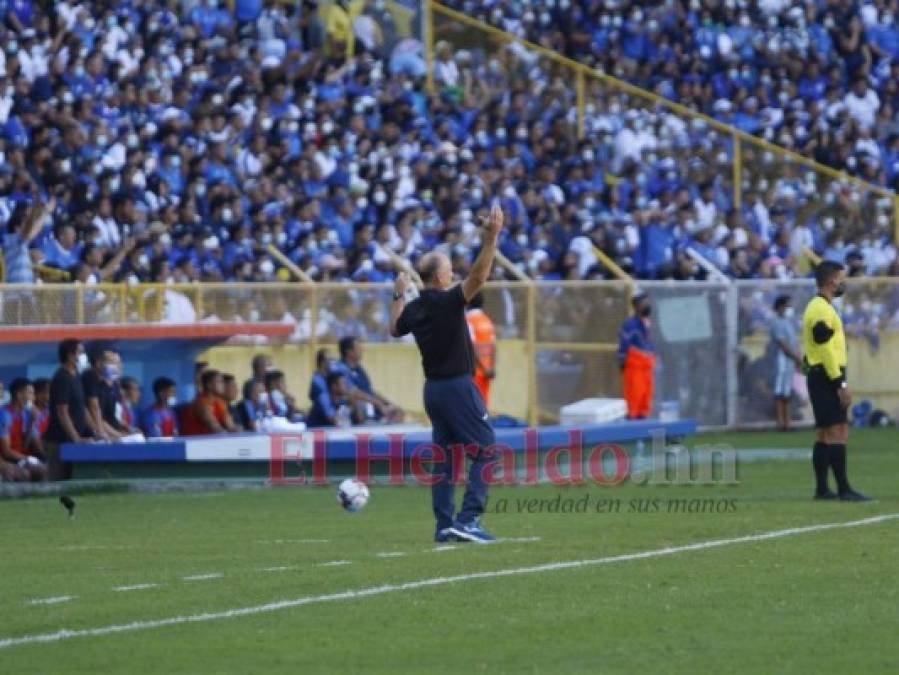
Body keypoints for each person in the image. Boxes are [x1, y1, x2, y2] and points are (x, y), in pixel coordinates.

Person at [389, 203, 504, 543]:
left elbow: (395, 328)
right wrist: (491, 238)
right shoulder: (446, 301)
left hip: (434, 391)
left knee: (446, 460)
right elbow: (480, 277)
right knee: (486, 451)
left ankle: (444, 525)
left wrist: (398, 291)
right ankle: (468, 520)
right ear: (439, 277)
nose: (453, 274)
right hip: (456, 386)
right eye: (449, 270)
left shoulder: (415, 307)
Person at [803, 261, 870, 501]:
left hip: (820, 374)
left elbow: (813, 348)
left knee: (823, 434)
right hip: (827, 375)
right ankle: (844, 489)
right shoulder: (821, 309)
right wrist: (840, 383)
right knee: (838, 431)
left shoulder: (820, 306)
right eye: (842, 278)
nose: (844, 282)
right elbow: (824, 348)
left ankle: (822, 489)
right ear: (832, 281)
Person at [46, 339, 94, 480]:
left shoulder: (76, 376)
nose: (83, 355)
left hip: (73, 442)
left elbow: (82, 408)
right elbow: (62, 411)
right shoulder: (62, 378)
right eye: (80, 352)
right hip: (60, 441)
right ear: (70, 355)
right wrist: (76, 438)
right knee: (58, 482)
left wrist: (95, 432)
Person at [337, 336, 403, 422]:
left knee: (397, 412)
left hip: (369, 404)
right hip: (354, 408)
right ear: (349, 352)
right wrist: (378, 404)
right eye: (358, 348)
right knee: (364, 407)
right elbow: (353, 392)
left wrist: (388, 404)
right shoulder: (340, 369)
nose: (362, 350)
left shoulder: (359, 369)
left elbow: (369, 391)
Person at [617, 291, 656, 419]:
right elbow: (624, 345)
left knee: (646, 397)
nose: (648, 305)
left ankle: (644, 426)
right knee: (635, 397)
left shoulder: (648, 322)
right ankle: (633, 427)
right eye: (644, 303)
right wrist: (622, 362)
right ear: (637, 306)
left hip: (647, 366)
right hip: (635, 367)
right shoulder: (630, 325)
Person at [0, 378, 47, 481]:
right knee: (23, 474)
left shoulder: (26, 414)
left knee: (42, 470)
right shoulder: (4, 414)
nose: (33, 398)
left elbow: (24, 445)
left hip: (18, 457)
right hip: (7, 459)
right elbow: (6, 451)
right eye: (29, 393)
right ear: (19, 394)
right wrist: (28, 459)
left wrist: (32, 422)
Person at [769, 295, 802, 431]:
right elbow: (783, 345)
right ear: (781, 306)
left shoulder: (788, 322)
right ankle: (780, 422)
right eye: (788, 305)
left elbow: (793, 342)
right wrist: (797, 358)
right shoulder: (776, 322)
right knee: (780, 392)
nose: (790, 308)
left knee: (786, 392)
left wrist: (797, 357)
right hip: (781, 361)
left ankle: (787, 423)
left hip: (789, 362)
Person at [82, 344, 127, 441]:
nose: (117, 367)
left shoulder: (110, 384)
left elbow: (108, 417)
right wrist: (104, 433)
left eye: (118, 363)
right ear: (99, 363)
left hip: (108, 431)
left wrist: (122, 432)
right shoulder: (89, 378)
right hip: (88, 434)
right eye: (112, 362)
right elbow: (94, 411)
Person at [181, 369, 240, 435]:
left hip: (210, 442)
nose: (223, 385)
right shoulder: (201, 403)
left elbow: (231, 426)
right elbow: (216, 429)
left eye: (223, 382)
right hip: (194, 442)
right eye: (219, 382)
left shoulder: (220, 402)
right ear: (209, 385)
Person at [465, 292, 497, 411]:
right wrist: (491, 368)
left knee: (472, 407)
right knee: (483, 405)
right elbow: (493, 346)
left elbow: (471, 347)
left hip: (474, 371)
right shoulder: (487, 320)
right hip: (487, 372)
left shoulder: (468, 321)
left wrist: (483, 368)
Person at [29, 377, 51, 457]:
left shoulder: (50, 410)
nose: (47, 396)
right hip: (35, 453)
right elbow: (34, 438)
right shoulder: (30, 411)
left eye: (49, 393)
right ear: (35, 394)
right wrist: (45, 456)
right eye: (43, 392)